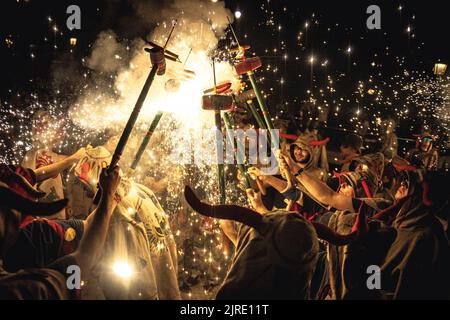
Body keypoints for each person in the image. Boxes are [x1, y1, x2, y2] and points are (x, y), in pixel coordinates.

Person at [0, 165, 121, 299]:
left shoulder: (34, 231)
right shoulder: (25, 290)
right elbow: (86, 258)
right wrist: (109, 194)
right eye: (13, 209)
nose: (18, 215)